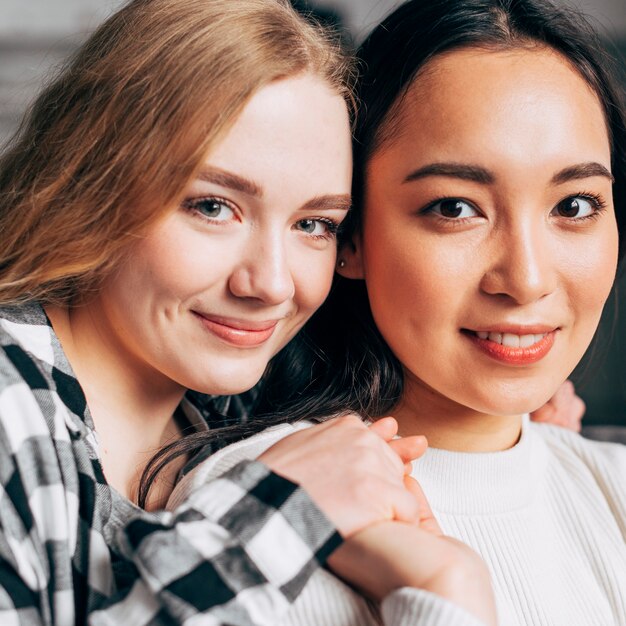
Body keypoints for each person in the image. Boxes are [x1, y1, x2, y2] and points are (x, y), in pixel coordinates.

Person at [0, 0, 501, 624]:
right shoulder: (11, 407)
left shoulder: (241, 407)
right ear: (95, 182)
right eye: (213, 207)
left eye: (314, 224)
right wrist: (279, 513)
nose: (270, 283)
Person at [170, 0, 626, 624]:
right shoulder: (265, 506)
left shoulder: (611, 486)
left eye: (574, 206)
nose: (526, 279)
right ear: (348, 236)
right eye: (454, 208)